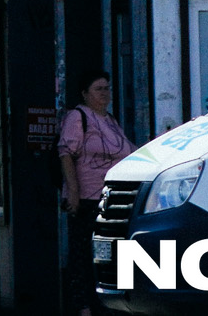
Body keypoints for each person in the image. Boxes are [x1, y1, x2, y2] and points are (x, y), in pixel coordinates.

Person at [56, 72, 133, 316]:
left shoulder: (110, 120)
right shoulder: (78, 117)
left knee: (112, 253)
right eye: (98, 89)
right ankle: (84, 308)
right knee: (82, 256)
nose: (105, 93)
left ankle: (114, 305)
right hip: (87, 199)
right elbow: (65, 153)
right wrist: (73, 191)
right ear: (85, 94)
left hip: (113, 199)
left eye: (107, 88)